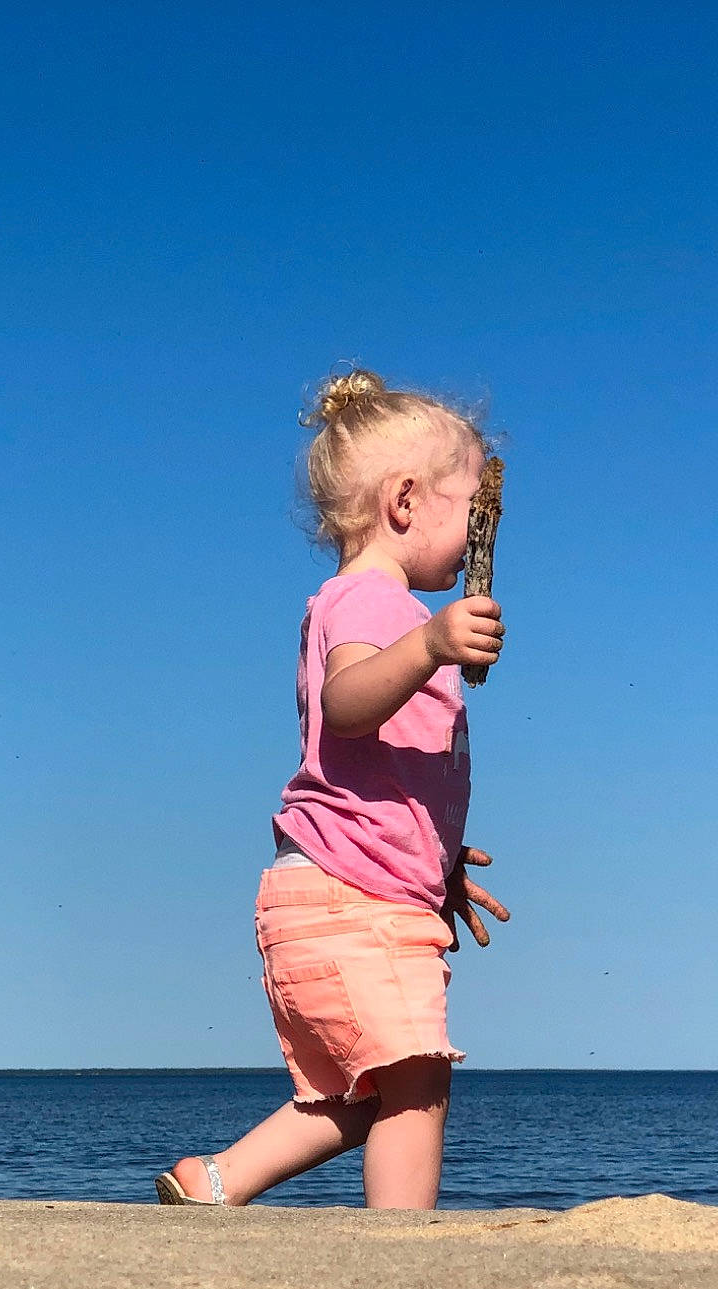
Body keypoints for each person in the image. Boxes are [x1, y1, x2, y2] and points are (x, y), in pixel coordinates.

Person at [157, 368, 509, 1210]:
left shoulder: (373, 610)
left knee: (357, 1100)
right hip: (347, 899)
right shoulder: (367, 604)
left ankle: (214, 1184)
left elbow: (370, 773)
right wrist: (429, 646)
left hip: (338, 887)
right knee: (416, 1085)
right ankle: (399, 1258)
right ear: (404, 502)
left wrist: (434, 863)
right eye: (468, 511)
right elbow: (347, 706)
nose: (474, 539)